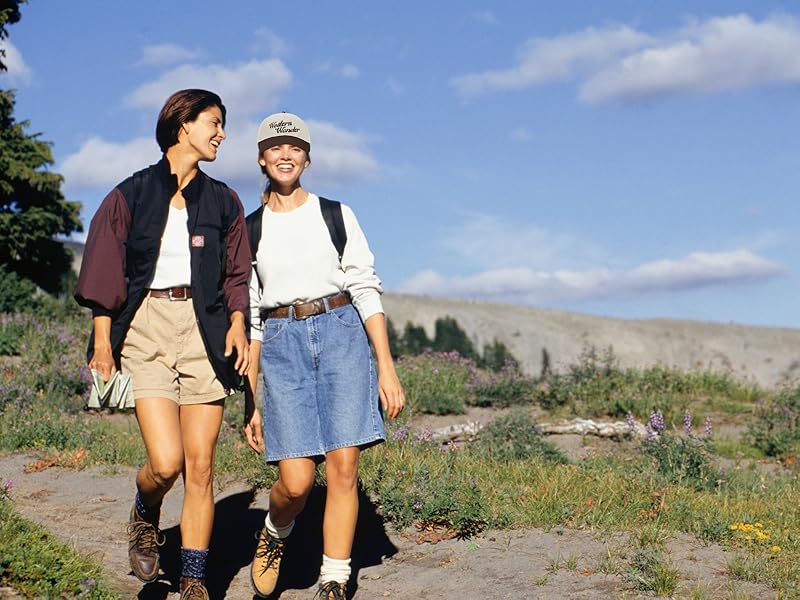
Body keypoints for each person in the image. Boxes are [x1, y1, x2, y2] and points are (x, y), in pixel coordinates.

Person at [74, 89, 251, 600]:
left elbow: (237, 272)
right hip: (146, 327)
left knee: (201, 465)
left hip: (206, 329)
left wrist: (237, 322)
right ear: (183, 126)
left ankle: (195, 579)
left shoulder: (224, 201)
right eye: (213, 123)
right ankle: (146, 510)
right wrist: (103, 345)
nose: (221, 134)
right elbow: (105, 271)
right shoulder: (130, 194)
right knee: (167, 462)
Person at [243, 112, 405, 600]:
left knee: (343, 467)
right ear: (261, 159)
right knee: (295, 481)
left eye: (294, 148)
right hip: (281, 343)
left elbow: (366, 290)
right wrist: (250, 400)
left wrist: (387, 367)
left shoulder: (336, 214)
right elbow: (249, 319)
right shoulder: (248, 230)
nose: (285, 155)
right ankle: (274, 530)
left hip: (341, 335)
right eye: (275, 148)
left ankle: (335, 576)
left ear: (307, 158)